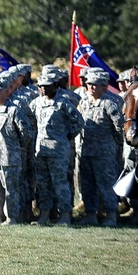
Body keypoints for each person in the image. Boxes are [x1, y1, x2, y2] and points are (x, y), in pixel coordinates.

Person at [29, 69, 83, 226]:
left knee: (60, 183)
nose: (43, 89)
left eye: (47, 86)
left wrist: (67, 136)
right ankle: (44, 215)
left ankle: (65, 215)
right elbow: (31, 120)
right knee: (43, 183)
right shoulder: (36, 103)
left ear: (55, 86)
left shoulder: (64, 103)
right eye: (41, 86)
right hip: (40, 150)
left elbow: (79, 122)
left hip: (58, 150)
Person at [0, 73, 32, 224]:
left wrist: (15, 147)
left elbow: (26, 133)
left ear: (6, 91)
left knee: (11, 189)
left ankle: (12, 217)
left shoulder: (14, 110)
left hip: (9, 157)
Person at [75, 69, 124, 226]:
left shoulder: (109, 104)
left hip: (104, 153)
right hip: (86, 151)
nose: (91, 87)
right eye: (89, 84)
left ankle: (111, 215)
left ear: (104, 87)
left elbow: (120, 128)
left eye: (96, 84)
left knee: (106, 185)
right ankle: (91, 214)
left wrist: (112, 145)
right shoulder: (83, 103)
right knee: (88, 185)